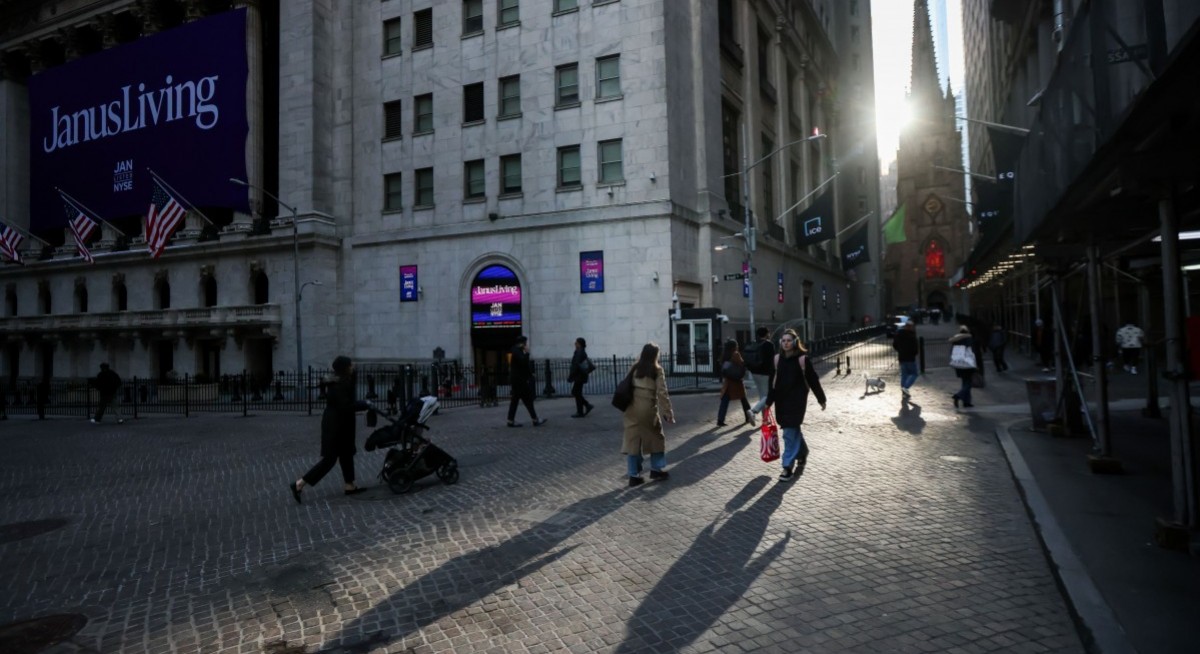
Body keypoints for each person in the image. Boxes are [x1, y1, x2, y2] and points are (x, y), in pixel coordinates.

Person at [290, 355, 371, 503]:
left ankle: (349, 485)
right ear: (344, 368)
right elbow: (345, 406)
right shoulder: (339, 384)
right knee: (330, 459)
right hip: (335, 426)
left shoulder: (340, 380)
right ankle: (299, 484)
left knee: (346, 454)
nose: (352, 367)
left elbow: (350, 393)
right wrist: (364, 404)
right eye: (350, 365)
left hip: (341, 424)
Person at [763, 328, 826, 481]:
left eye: (789, 340)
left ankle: (787, 467)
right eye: (783, 341)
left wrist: (821, 399)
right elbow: (772, 384)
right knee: (792, 430)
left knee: (788, 434)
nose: (786, 343)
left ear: (795, 342)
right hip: (781, 402)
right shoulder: (777, 359)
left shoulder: (802, 360)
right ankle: (802, 453)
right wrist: (768, 402)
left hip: (797, 402)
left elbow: (813, 380)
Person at [622, 342, 675, 487]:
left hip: (631, 408)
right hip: (647, 408)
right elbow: (662, 392)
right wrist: (668, 412)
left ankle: (633, 475)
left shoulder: (634, 368)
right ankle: (656, 469)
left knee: (633, 441)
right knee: (656, 438)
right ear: (655, 355)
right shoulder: (657, 370)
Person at [506, 335, 546, 427]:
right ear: (522, 343)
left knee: (515, 400)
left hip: (517, 380)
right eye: (525, 343)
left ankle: (510, 420)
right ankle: (535, 419)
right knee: (527, 400)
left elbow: (523, 366)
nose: (526, 345)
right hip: (519, 381)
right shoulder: (517, 351)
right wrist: (527, 353)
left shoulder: (516, 350)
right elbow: (523, 362)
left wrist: (530, 375)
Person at [716, 339, 754, 427]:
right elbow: (742, 364)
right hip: (736, 381)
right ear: (734, 347)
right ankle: (749, 416)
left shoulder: (725, 355)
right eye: (737, 345)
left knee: (725, 401)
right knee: (743, 399)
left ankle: (720, 420)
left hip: (728, 382)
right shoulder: (735, 354)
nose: (738, 346)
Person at [748, 327, 776, 416]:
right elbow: (772, 360)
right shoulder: (768, 344)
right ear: (766, 334)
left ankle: (765, 418)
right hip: (765, 373)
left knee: (762, 396)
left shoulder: (754, 344)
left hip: (754, 372)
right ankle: (754, 411)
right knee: (768, 396)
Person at [949, 325, 978, 408]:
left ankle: (966, 402)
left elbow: (952, 352)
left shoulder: (955, 340)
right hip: (968, 364)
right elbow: (973, 352)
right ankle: (958, 395)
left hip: (958, 364)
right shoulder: (969, 339)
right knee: (969, 383)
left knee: (964, 382)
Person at [568, 337, 596, 417]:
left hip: (579, 376)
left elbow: (576, 365)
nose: (575, 344)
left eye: (576, 342)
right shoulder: (581, 351)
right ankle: (586, 406)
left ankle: (581, 410)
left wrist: (571, 376)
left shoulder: (579, 352)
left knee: (576, 392)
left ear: (579, 344)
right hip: (580, 376)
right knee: (577, 393)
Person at [892, 321, 919, 398]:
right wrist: (914, 353)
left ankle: (904, 393)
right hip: (910, 358)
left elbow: (894, 345)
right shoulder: (912, 335)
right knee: (914, 374)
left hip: (902, 357)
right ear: (910, 327)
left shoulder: (898, 334)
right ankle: (906, 387)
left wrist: (900, 350)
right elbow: (915, 348)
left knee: (904, 375)